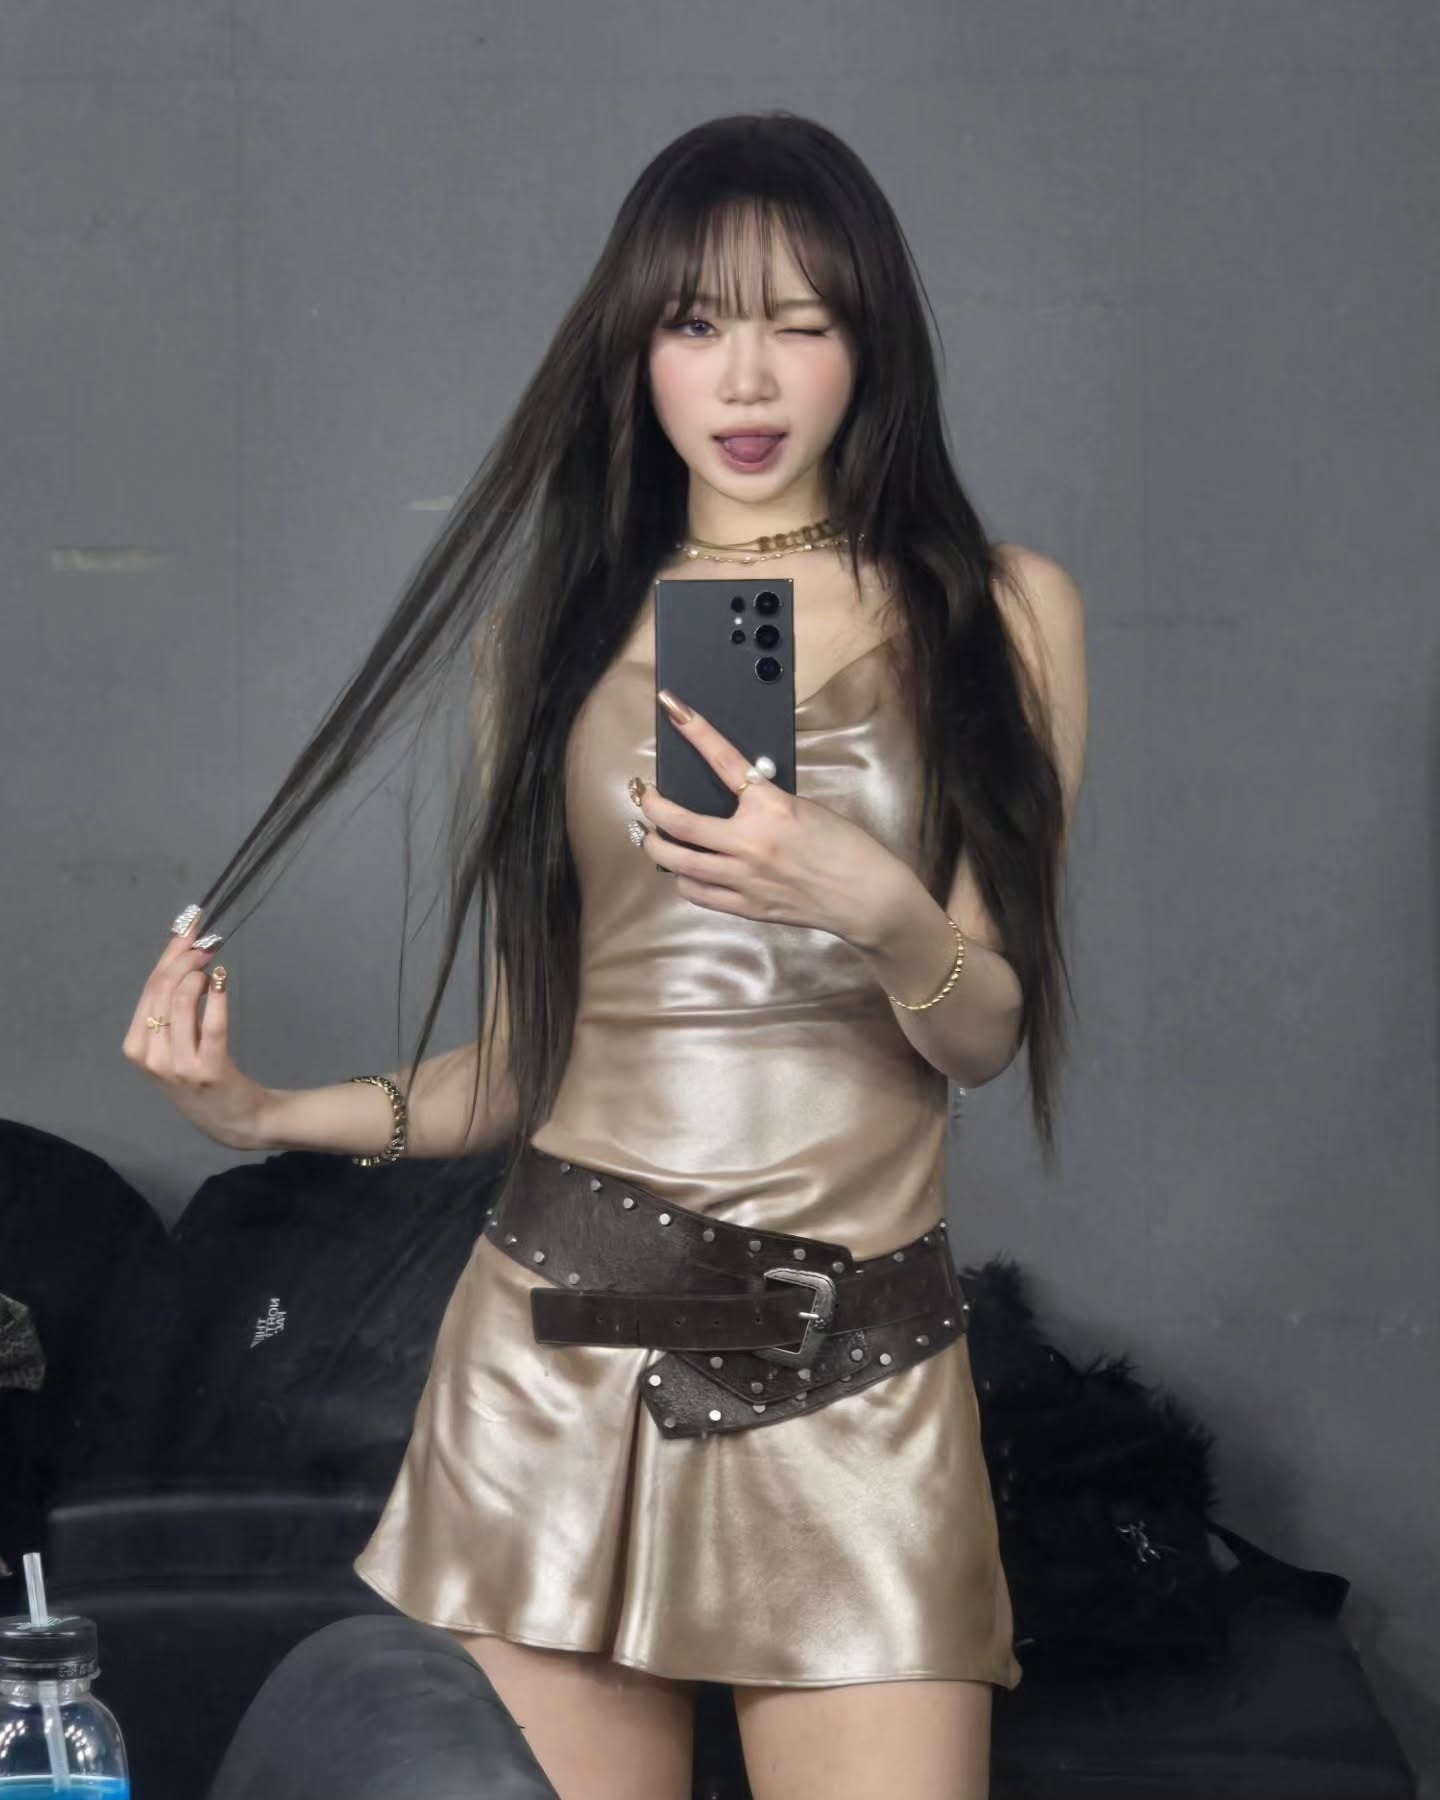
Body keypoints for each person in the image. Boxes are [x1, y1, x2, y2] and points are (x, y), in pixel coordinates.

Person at [123, 111, 1087, 1800]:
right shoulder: (551, 639)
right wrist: (258, 1112)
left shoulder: (1001, 613)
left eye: (801, 321)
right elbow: (524, 1065)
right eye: (695, 324)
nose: (747, 378)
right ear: (637, 348)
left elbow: (983, 1031)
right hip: (570, 1345)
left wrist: (869, 900)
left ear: (870, 340)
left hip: (857, 1364)